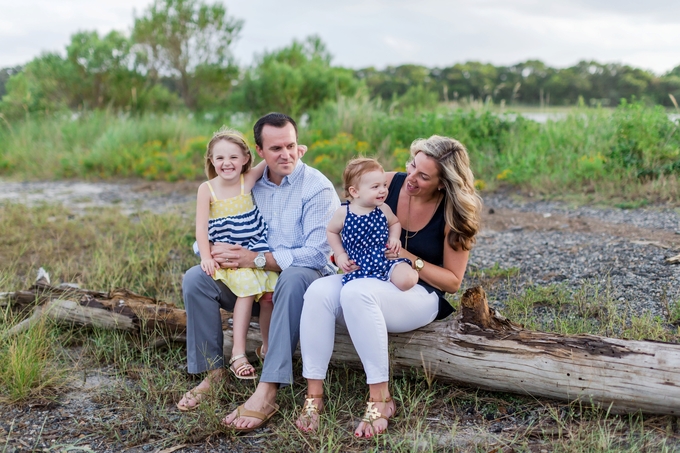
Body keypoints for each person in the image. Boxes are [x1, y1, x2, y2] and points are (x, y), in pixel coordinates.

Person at [296, 135, 482, 438]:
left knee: (356, 293)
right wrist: (340, 252)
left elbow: (452, 281)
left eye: (423, 176)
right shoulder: (388, 183)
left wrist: (409, 258)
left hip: (418, 293)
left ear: (443, 184)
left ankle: (380, 399)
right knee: (318, 291)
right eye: (412, 166)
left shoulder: (453, 212)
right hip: (369, 275)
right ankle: (314, 397)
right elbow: (348, 203)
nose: (411, 178)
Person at [178, 113, 340, 429]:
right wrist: (215, 252)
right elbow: (213, 227)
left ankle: (268, 389)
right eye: (276, 148)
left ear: (299, 146)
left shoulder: (316, 187)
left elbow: (316, 253)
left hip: (301, 278)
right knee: (197, 278)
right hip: (248, 279)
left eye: (291, 145)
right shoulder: (245, 183)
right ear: (260, 151)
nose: (286, 154)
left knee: (291, 279)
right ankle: (214, 374)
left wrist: (256, 258)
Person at [194, 128, 275, 381]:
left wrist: (297, 152)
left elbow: (270, 160)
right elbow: (200, 228)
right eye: (219, 158)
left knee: (269, 296)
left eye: (233, 157)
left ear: (245, 160)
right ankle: (238, 353)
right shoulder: (207, 189)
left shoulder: (247, 180)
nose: (226, 163)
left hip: (255, 250)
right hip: (229, 258)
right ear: (211, 160)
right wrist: (206, 256)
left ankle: (266, 346)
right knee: (248, 290)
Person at [327, 157, 418, 291]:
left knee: (407, 279)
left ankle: (402, 284)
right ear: (354, 191)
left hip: (385, 259)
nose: (383, 190)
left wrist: (393, 238)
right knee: (357, 290)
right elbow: (331, 231)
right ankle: (380, 292)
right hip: (358, 264)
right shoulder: (344, 213)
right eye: (375, 187)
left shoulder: (383, 209)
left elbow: (394, 223)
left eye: (384, 185)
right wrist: (340, 254)